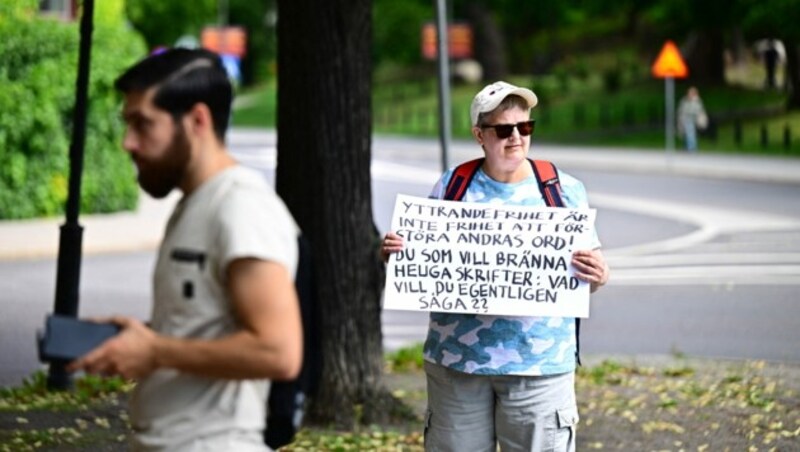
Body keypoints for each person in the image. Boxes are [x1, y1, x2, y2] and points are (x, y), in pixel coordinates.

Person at [68, 48, 303, 451]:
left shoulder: (241, 206)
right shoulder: (196, 201)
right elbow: (206, 326)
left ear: (197, 120)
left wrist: (156, 350)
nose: (128, 143)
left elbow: (279, 351)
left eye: (143, 125)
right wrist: (141, 337)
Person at [382, 81, 609, 451]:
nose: (517, 137)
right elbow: (418, 260)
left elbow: (587, 275)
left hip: (539, 368)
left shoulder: (563, 189)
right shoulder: (452, 186)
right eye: (504, 129)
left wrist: (598, 274)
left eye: (526, 127)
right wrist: (396, 252)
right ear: (480, 135)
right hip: (457, 366)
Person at [677, 86, 707, 153]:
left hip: (692, 119)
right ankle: (686, 147)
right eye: (689, 93)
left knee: (690, 133)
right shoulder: (684, 100)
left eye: (691, 93)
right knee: (685, 134)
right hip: (683, 119)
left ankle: (692, 148)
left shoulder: (697, 101)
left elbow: (697, 110)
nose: (690, 94)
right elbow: (681, 108)